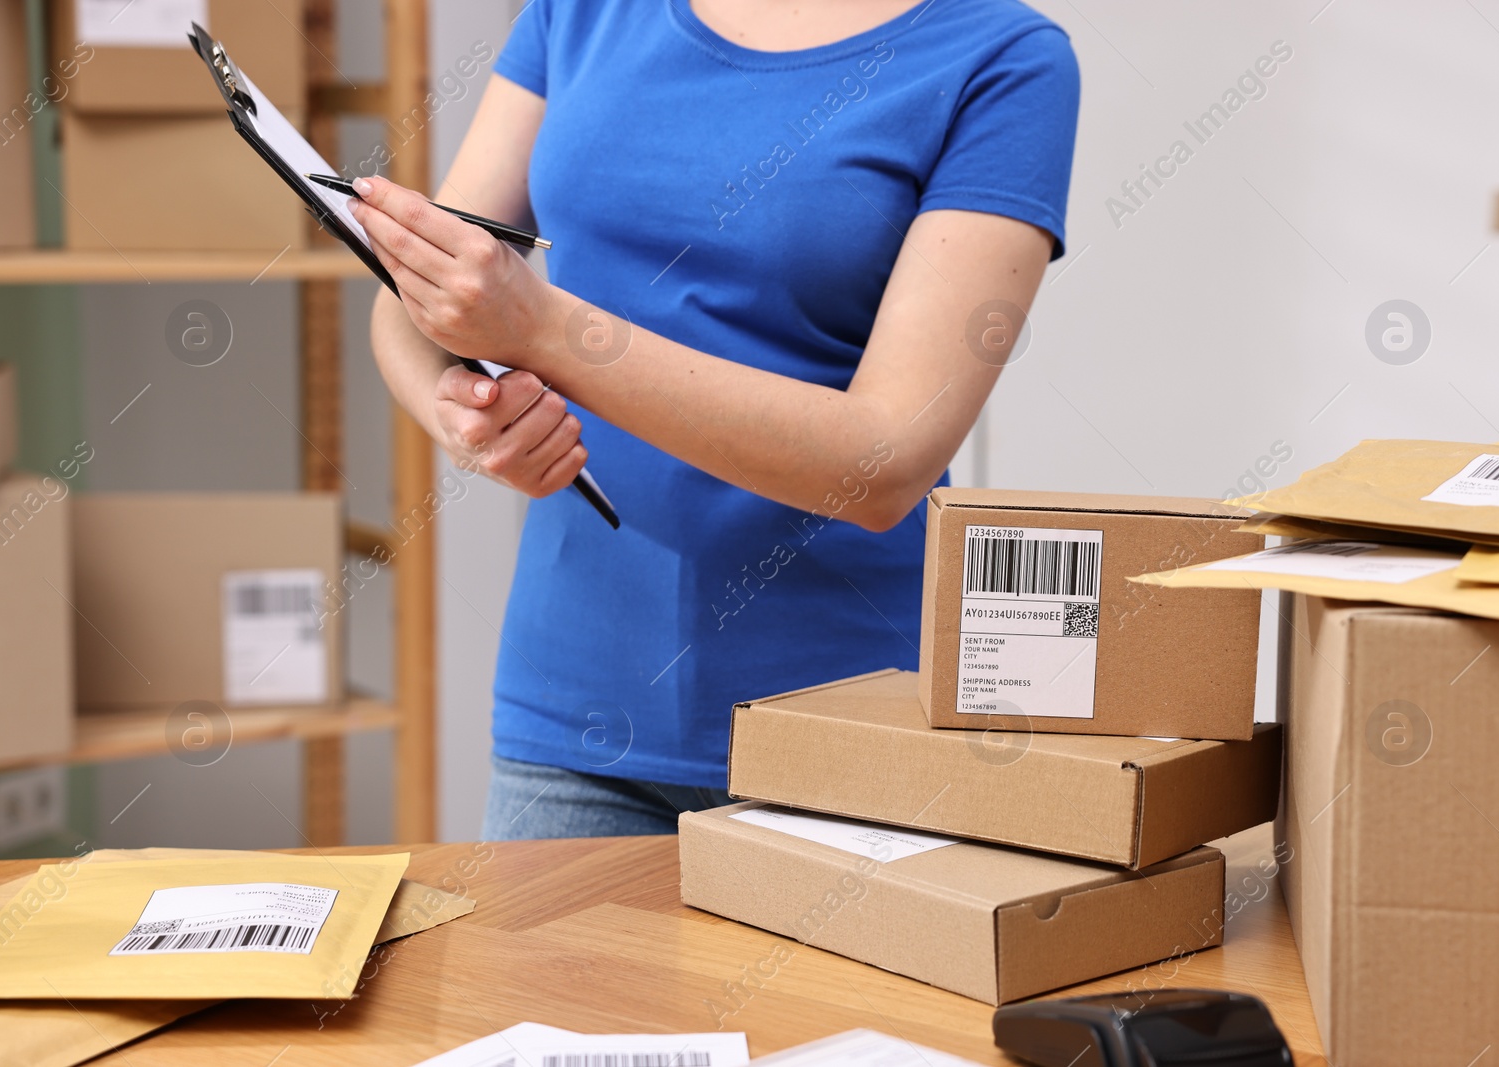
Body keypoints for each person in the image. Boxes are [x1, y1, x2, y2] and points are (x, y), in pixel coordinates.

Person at [357, 0, 1080, 839]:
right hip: (575, 719)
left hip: (847, 734)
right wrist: (462, 414)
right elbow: (416, 295)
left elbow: (885, 462)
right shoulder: (582, 12)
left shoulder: (1003, 58)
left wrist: (547, 332)